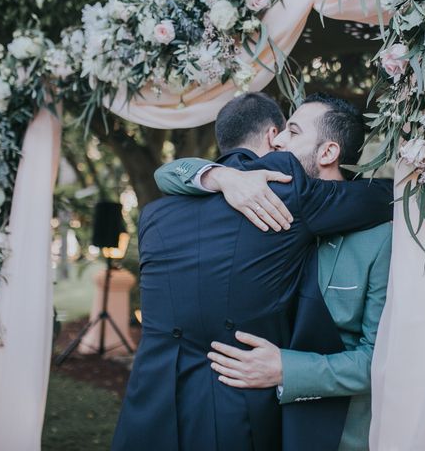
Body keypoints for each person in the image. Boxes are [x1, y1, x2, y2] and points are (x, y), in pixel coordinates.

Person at [112, 92, 393, 451]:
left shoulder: (375, 238)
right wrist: (219, 176)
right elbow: (168, 174)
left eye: (291, 131)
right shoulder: (264, 200)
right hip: (240, 414)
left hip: (325, 429)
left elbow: (380, 356)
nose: (275, 140)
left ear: (328, 152)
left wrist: (286, 370)